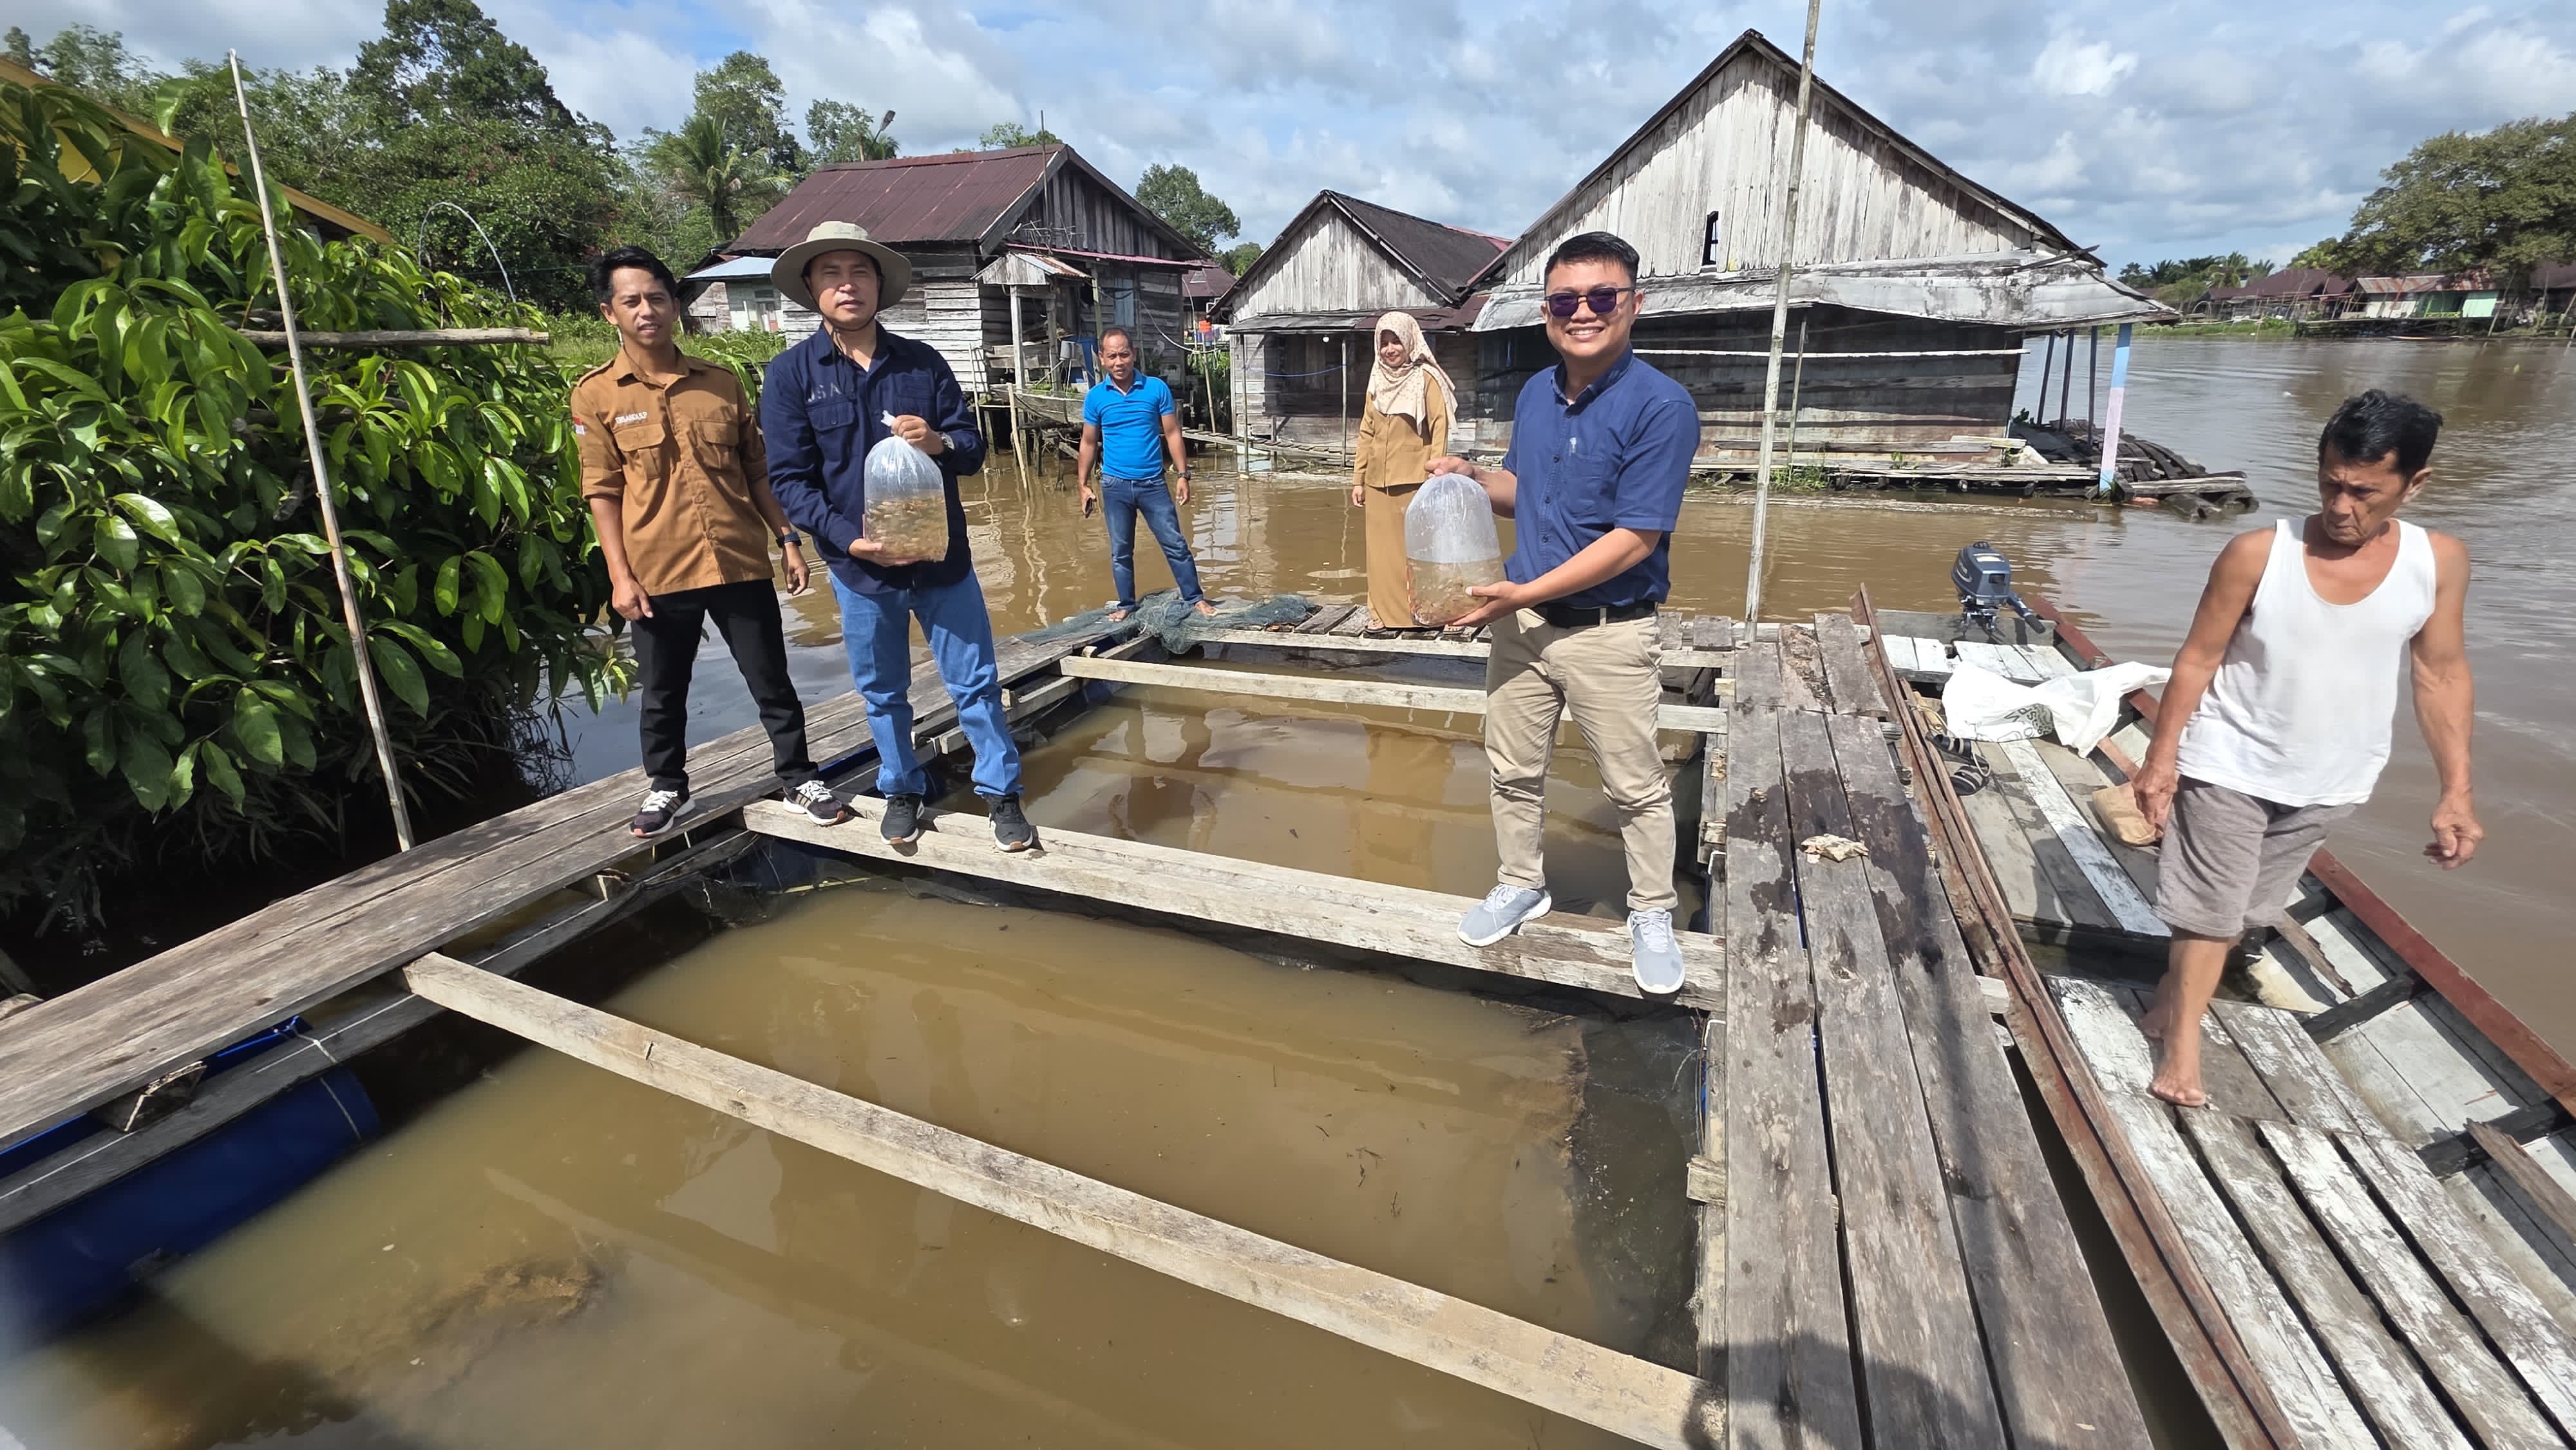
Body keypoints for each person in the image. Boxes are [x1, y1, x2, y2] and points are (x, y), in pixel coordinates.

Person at [2134, 389, 2478, 1106]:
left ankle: (2172, 992)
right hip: (2229, 757)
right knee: (2210, 912)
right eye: (2329, 482)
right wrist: (2162, 759)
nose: (2340, 505)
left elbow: (2439, 674)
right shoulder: (2259, 553)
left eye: (2363, 492)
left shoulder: (2437, 563)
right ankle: (2182, 1050)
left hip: (2332, 777)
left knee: (2247, 914)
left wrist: (2455, 791)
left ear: (2415, 483)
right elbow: (2197, 658)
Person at [1426, 231, 1700, 993]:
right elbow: (1524, 490)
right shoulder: (1535, 394)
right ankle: (1521, 881)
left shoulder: (1661, 407)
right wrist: (1473, 475)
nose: (1582, 312)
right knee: (1512, 770)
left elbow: (1632, 540)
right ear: (1547, 311)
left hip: (1607, 632)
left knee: (1634, 785)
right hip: (1520, 629)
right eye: (1564, 300)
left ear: (1633, 305)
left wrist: (1520, 593)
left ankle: (1650, 908)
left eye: (1601, 297)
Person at [758, 221, 1037, 852]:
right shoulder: (791, 376)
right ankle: (902, 788)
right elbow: (791, 481)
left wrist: (938, 441)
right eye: (830, 273)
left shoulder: (922, 363)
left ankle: (1001, 793)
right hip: (861, 569)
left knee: (977, 684)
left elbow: (972, 450)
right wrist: (843, 540)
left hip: (942, 561)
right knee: (882, 691)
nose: (846, 285)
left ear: (879, 284)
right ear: (811, 287)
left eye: (858, 272)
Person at [572, 245, 848, 838]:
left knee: (771, 678)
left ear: (675, 305)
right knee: (664, 690)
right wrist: (619, 575)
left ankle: (799, 776)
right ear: (609, 313)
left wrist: (788, 539)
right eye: (632, 301)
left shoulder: (720, 384)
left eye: (657, 297)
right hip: (655, 568)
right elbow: (602, 490)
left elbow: (757, 471)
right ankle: (668, 786)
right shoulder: (597, 395)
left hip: (737, 558)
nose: (647, 310)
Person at [1077, 326, 1215, 621]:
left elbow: (1173, 433)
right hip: (1114, 485)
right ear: (1102, 358)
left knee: (1175, 543)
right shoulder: (1096, 398)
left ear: (1134, 354)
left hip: (1153, 484)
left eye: (1124, 354)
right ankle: (1126, 604)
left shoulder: (1155, 389)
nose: (1119, 362)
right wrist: (1083, 485)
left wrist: (1183, 475)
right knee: (1121, 550)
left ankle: (1195, 598)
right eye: (1112, 356)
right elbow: (1088, 442)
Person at [1349, 311, 1457, 630]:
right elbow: (1366, 432)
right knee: (1381, 555)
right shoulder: (1377, 381)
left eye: (1396, 341)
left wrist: (1435, 474)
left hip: (1415, 480)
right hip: (1376, 484)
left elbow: (1440, 427)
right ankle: (1381, 614)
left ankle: (1424, 613)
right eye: (1384, 343)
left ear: (1410, 341)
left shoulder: (1425, 380)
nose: (1390, 349)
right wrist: (1358, 480)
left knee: (1417, 551)